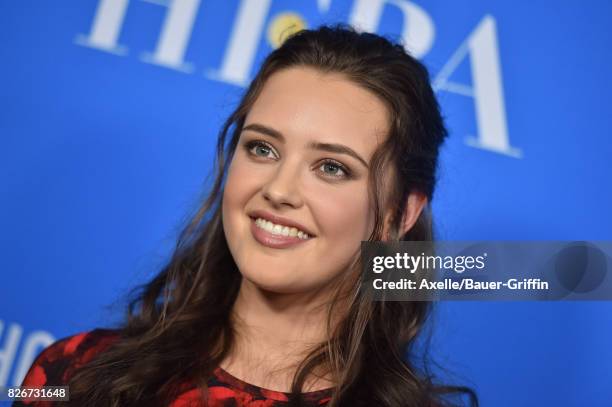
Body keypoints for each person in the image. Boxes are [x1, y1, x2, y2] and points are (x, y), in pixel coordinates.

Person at [15, 24, 477, 407]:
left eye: (332, 167)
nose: (277, 189)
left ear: (398, 215)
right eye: (262, 148)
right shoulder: (70, 373)